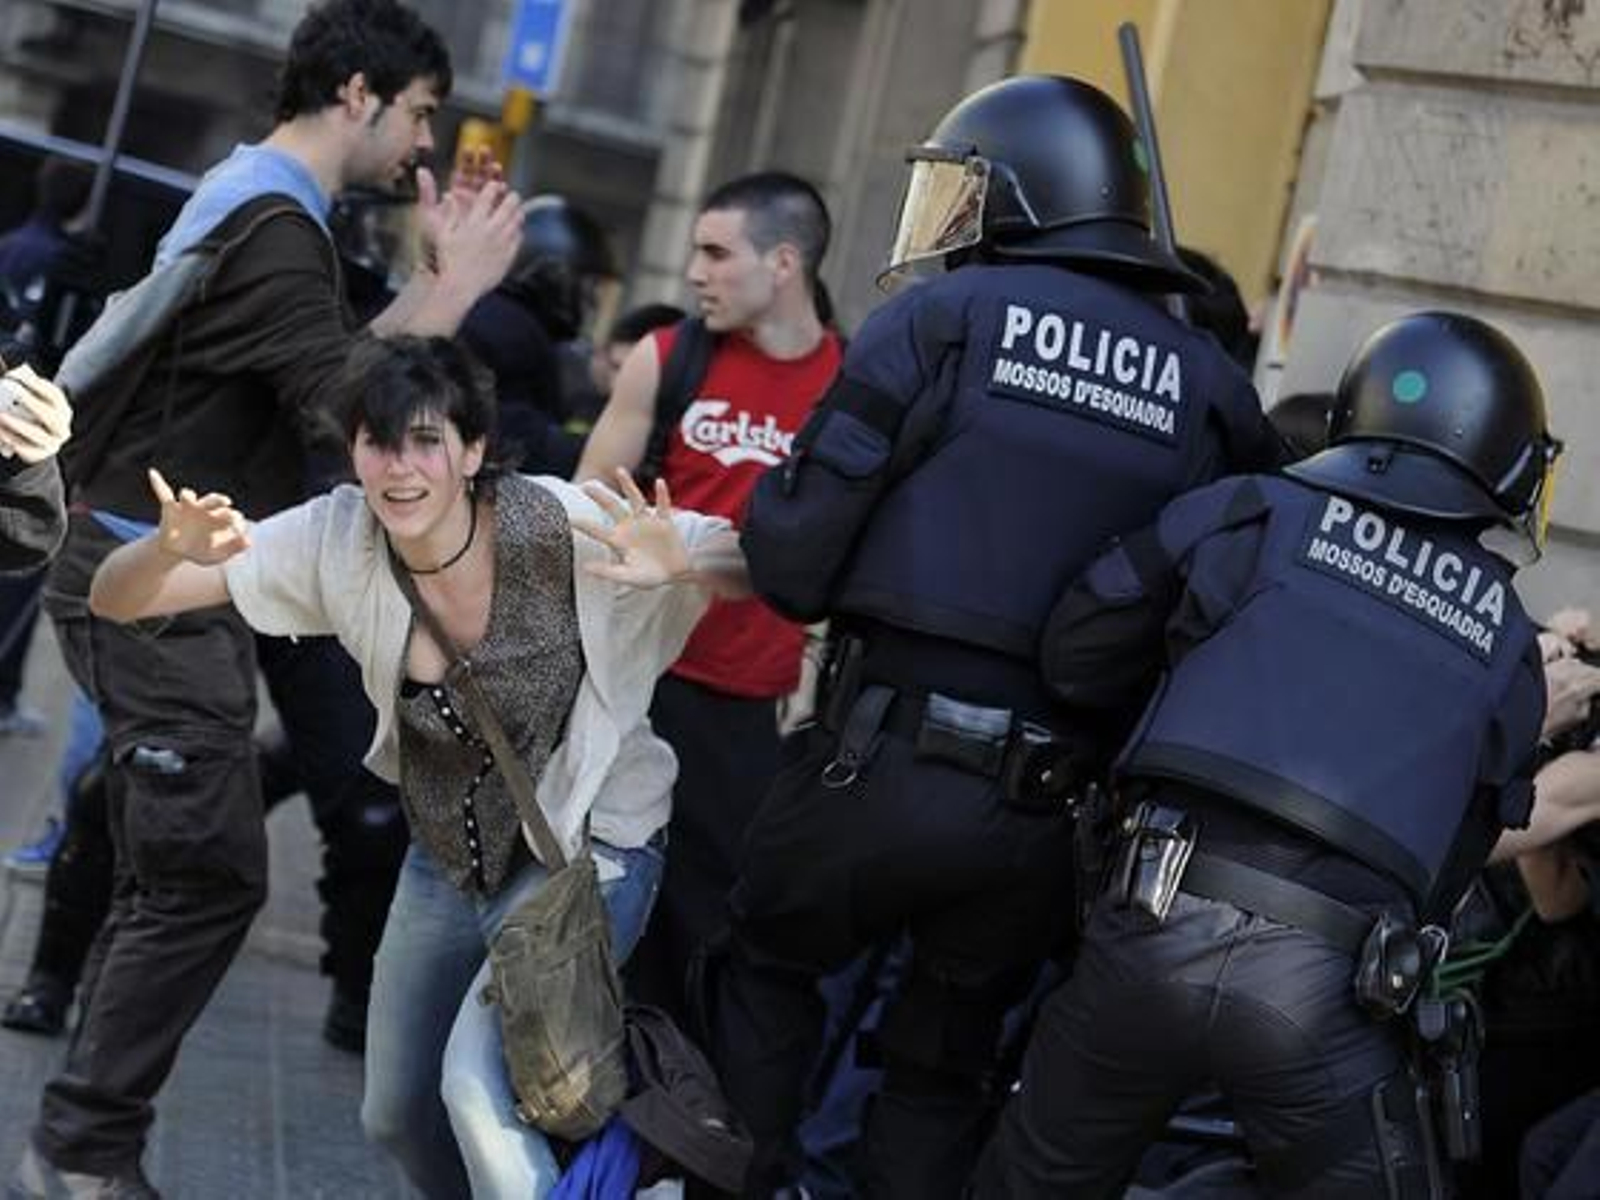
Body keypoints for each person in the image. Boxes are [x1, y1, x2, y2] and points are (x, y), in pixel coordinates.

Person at [709, 75, 1286, 1198]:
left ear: (1021, 195)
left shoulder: (939, 320)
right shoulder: (1209, 386)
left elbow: (789, 559)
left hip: (870, 766)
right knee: (941, 1069)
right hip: (1052, 816)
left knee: (764, 976)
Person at [10, 0, 526, 1193]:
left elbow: (327, 366)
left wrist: (435, 288)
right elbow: (344, 412)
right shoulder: (276, 225)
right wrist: (457, 289)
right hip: (148, 567)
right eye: (417, 113)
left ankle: (82, 1134)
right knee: (207, 870)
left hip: (166, 562)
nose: (422, 144)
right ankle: (78, 1156)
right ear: (357, 93)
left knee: (181, 844)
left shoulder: (267, 206)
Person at [86, 334, 746, 1198]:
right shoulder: (338, 540)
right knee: (394, 1111)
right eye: (376, 441)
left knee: (478, 1089)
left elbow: (753, 555)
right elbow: (116, 597)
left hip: (587, 849)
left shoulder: (560, 525)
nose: (400, 468)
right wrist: (167, 550)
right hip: (448, 855)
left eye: (426, 440)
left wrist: (685, 559)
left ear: (473, 451)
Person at [974, 309, 1558, 1198]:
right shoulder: (1509, 638)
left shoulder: (1251, 508)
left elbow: (1078, 650)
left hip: (1153, 917)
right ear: (1506, 459)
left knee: (1037, 1181)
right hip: (1331, 986)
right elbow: (1457, 857)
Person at [578, 171, 843, 1026]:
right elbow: (580, 507)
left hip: (747, 712)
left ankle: (659, 1127)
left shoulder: (854, 385)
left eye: (716, 253)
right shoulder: (669, 357)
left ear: (785, 261)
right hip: (635, 680)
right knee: (590, 909)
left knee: (698, 933)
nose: (695, 272)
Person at [460, 194, 619, 476]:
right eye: (588, 287)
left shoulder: (508, 320)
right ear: (555, 274)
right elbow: (509, 431)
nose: (591, 303)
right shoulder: (509, 327)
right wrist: (611, 451)